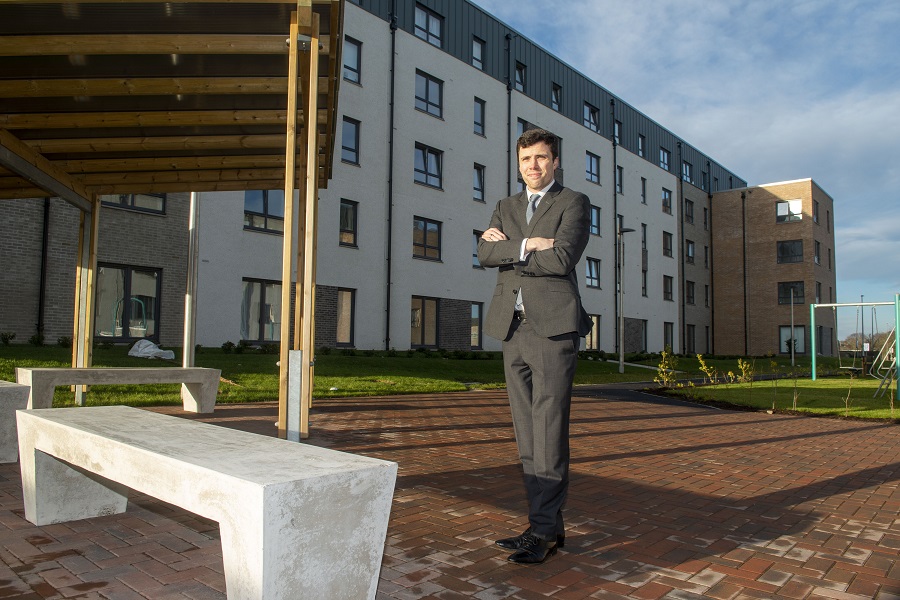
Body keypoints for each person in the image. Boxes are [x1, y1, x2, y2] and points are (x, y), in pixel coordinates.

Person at [477, 128, 591, 564]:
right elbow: (484, 255)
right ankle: (544, 525)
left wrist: (508, 248)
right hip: (512, 327)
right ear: (518, 162)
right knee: (527, 432)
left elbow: (562, 258)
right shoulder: (506, 206)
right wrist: (527, 244)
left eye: (542, 158)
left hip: (553, 329)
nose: (534, 166)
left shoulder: (573, 203)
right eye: (526, 159)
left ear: (555, 161)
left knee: (549, 429)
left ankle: (543, 532)